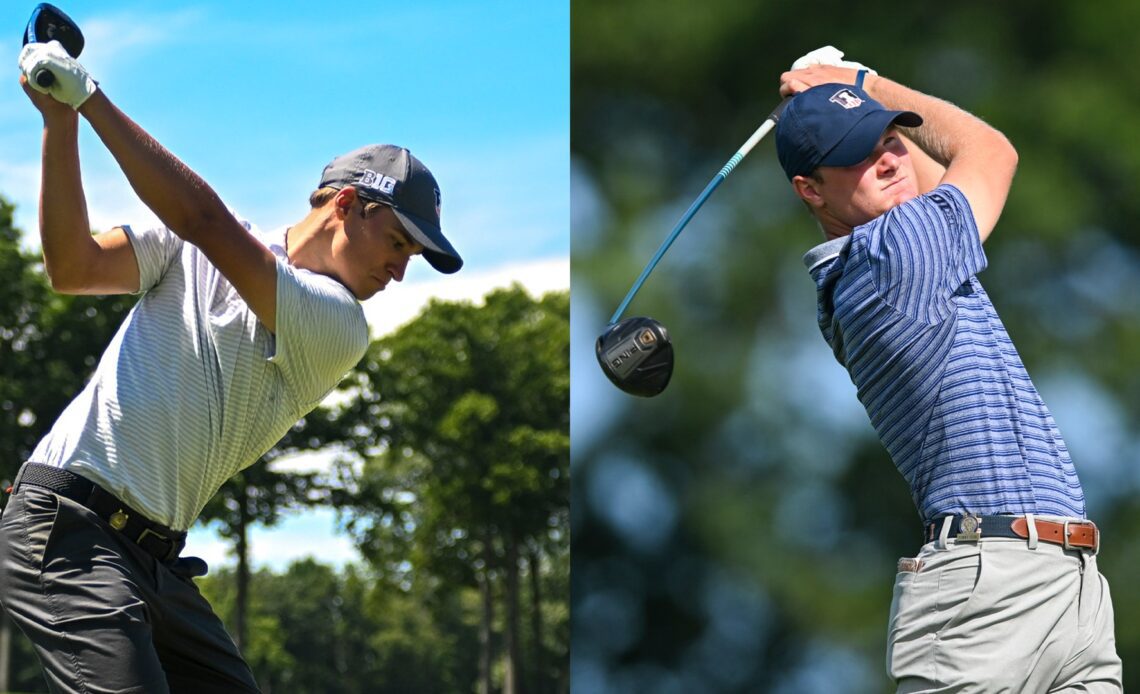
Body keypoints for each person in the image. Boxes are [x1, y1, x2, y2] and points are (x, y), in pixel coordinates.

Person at [0, 40, 461, 693]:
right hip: (66, 524)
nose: (400, 269)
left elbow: (202, 220)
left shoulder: (338, 324)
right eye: (397, 242)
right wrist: (61, 122)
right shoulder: (187, 250)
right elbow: (71, 266)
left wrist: (89, 98)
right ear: (346, 205)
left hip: (153, 561)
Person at [776, 52, 1122, 692]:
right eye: (858, 155)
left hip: (1070, 590)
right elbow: (991, 154)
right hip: (982, 599)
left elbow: (939, 184)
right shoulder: (889, 257)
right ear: (811, 190)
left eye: (890, 139)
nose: (888, 159)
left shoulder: (897, 245)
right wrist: (863, 84)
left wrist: (854, 101)